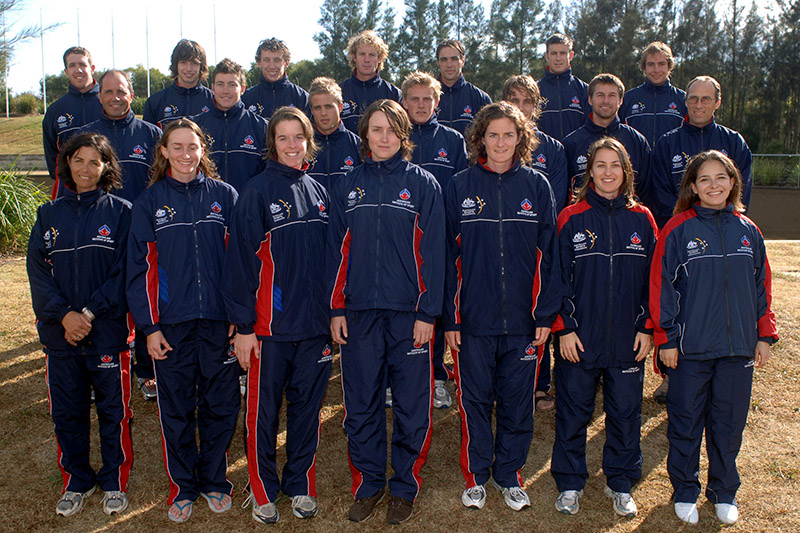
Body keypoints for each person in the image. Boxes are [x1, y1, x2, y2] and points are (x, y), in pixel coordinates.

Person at [327, 99, 444, 525]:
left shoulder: (424, 184)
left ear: (404, 133)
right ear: (365, 135)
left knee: (413, 406)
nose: (384, 137)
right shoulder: (346, 185)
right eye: (376, 129)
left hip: (408, 315)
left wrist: (428, 313)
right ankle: (369, 484)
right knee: (361, 404)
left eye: (392, 129)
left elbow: (434, 254)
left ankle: (404, 486)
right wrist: (337, 307)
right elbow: (336, 252)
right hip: (358, 314)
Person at [650, 150, 778, 526]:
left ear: (733, 182)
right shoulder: (678, 228)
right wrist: (667, 339)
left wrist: (764, 335)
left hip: (738, 348)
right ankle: (685, 489)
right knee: (686, 422)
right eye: (704, 179)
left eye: (721, 177)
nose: (713, 185)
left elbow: (762, 287)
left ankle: (724, 491)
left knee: (728, 424)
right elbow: (661, 288)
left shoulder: (748, 230)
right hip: (690, 350)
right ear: (693, 186)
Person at [443, 102, 559, 512]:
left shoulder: (537, 186)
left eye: (509, 134)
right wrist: (451, 319)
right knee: (473, 401)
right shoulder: (459, 186)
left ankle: (509, 475)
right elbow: (447, 259)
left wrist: (545, 313)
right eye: (493, 134)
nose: (500, 142)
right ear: (480, 138)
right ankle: (476, 477)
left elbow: (550, 255)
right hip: (473, 321)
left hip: (525, 324)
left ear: (521, 139)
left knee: (516, 402)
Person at [126, 119, 240, 523]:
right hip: (170, 326)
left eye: (192, 147)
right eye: (177, 147)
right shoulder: (148, 203)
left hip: (216, 323)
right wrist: (150, 328)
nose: (186, 155)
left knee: (221, 404)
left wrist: (237, 316)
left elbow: (240, 263)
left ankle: (213, 480)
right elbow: (138, 271)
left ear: (202, 150)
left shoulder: (225, 196)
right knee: (175, 409)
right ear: (163, 152)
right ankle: (182, 487)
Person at [223, 107, 330, 524]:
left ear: (308, 141)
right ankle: (263, 488)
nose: (291, 145)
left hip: (316, 328)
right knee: (263, 414)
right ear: (272, 143)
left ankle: (300, 483)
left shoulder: (319, 191)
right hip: (269, 330)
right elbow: (239, 268)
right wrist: (245, 327)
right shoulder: (255, 192)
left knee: (307, 411)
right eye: (283, 138)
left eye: (298, 137)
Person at [550, 137, 658, 518]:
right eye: (601, 165)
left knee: (626, 413)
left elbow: (654, 281)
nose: (608, 172)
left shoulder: (642, 218)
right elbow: (556, 279)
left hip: (629, 340)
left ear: (626, 172)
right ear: (589, 172)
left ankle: (621, 482)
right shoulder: (571, 216)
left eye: (615, 165)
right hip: (579, 339)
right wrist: (564, 329)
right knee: (573, 413)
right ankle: (568, 482)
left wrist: (647, 327)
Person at [27, 132, 133, 517]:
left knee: (114, 412)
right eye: (78, 160)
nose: (86, 168)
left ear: (106, 166)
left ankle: (113, 481)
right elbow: (38, 274)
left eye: (94, 161)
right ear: (67, 164)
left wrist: (88, 314)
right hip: (61, 338)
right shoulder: (47, 215)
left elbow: (125, 274)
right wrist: (65, 315)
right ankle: (77, 480)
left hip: (105, 333)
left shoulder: (122, 212)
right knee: (67, 413)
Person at [77, 69, 163, 400]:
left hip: (143, 228)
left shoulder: (152, 133)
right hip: (100, 230)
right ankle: (101, 363)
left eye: (122, 91)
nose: (116, 97)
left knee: (144, 293)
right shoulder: (88, 135)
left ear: (132, 95)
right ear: (99, 95)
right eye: (109, 91)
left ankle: (146, 369)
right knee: (102, 294)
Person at [501, 74, 569, 414]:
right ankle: (503, 383)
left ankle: (539, 384)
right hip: (500, 243)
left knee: (537, 313)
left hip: (537, 244)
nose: (520, 107)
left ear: (537, 107)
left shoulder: (553, 149)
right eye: (513, 99)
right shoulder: (494, 141)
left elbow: (552, 202)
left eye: (527, 101)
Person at [402, 71, 468, 409]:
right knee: (403, 307)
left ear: (437, 102)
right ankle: (395, 378)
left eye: (427, 98)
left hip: (440, 238)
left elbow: (461, 189)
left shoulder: (454, 140)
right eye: (414, 98)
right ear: (404, 102)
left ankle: (437, 377)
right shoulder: (393, 136)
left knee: (439, 307)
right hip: (401, 240)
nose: (420, 104)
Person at [651, 76, 753, 228]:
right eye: (693, 99)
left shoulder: (734, 142)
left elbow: (741, 191)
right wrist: (684, 227)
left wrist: (725, 225)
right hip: (682, 232)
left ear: (717, 102)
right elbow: (660, 195)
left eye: (706, 99)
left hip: (723, 230)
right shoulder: (667, 143)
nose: (698, 105)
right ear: (685, 102)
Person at [562, 74, 651, 206]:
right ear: (590, 100)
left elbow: (647, 191)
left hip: (627, 221)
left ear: (620, 101)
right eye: (600, 95)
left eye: (612, 96)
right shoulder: (571, 144)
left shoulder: (637, 141)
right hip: (584, 222)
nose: (606, 101)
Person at [192, 58, 269, 193]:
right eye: (220, 84)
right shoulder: (196, 126)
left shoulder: (261, 127)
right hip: (207, 208)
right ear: (213, 88)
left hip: (248, 207)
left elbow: (268, 174)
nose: (225, 90)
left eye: (232, 84)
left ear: (243, 88)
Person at [42, 46, 102, 197]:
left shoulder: (108, 102)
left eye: (82, 64)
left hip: (105, 185)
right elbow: (51, 154)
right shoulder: (56, 110)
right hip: (69, 189)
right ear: (66, 72)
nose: (78, 70)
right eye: (72, 66)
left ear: (92, 68)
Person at [619, 42, 688, 147]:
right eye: (651, 64)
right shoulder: (628, 99)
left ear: (669, 66)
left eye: (661, 64)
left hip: (671, 162)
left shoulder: (683, 99)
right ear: (644, 67)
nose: (656, 70)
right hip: (636, 162)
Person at [339, 30, 402, 133]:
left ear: (380, 58)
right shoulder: (340, 92)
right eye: (362, 54)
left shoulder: (393, 94)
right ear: (354, 57)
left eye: (372, 55)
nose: (366, 59)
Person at [143, 39, 215, 128]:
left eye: (194, 63)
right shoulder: (155, 102)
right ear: (176, 65)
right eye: (183, 62)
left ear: (201, 67)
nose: (189, 68)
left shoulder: (214, 101)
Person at [307, 76, 361, 192]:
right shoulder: (303, 146)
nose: (323, 113)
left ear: (340, 107)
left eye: (329, 107)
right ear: (311, 110)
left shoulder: (358, 146)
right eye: (317, 108)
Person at [537, 33, 590, 141]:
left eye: (562, 53)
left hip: (577, 155)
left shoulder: (584, 90)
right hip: (545, 155)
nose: (558, 58)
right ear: (547, 56)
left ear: (571, 55)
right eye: (554, 53)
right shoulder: (535, 90)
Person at [242, 38, 311, 119]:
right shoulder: (246, 99)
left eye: (277, 60)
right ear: (259, 62)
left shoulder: (301, 97)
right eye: (267, 60)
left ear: (286, 63)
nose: (272, 66)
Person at [435, 39, 492, 136]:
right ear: (438, 63)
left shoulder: (480, 99)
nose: (449, 65)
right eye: (444, 59)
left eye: (454, 59)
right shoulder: (426, 97)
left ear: (463, 60)